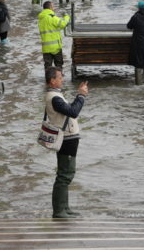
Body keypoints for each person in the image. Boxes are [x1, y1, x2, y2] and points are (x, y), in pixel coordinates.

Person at [44, 66, 89, 218]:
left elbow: (68, 110)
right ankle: (59, 211)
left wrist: (79, 95)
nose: (62, 80)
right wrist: (81, 96)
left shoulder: (55, 95)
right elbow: (73, 111)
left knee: (66, 173)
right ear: (52, 80)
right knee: (65, 175)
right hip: (66, 140)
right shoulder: (54, 97)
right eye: (60, 77)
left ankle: (65, 207)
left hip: (68, 139)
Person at [38, 1, 70, 69]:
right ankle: (58, 78)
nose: (54, 8)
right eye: (53, 6)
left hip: (45, 48)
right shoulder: (52, 17)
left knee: (48, 66)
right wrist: (66, 16)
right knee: (58, 65)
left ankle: (48, 79)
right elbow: (63, 24)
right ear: (50, 8)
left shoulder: (41, 19)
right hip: (55, 47)